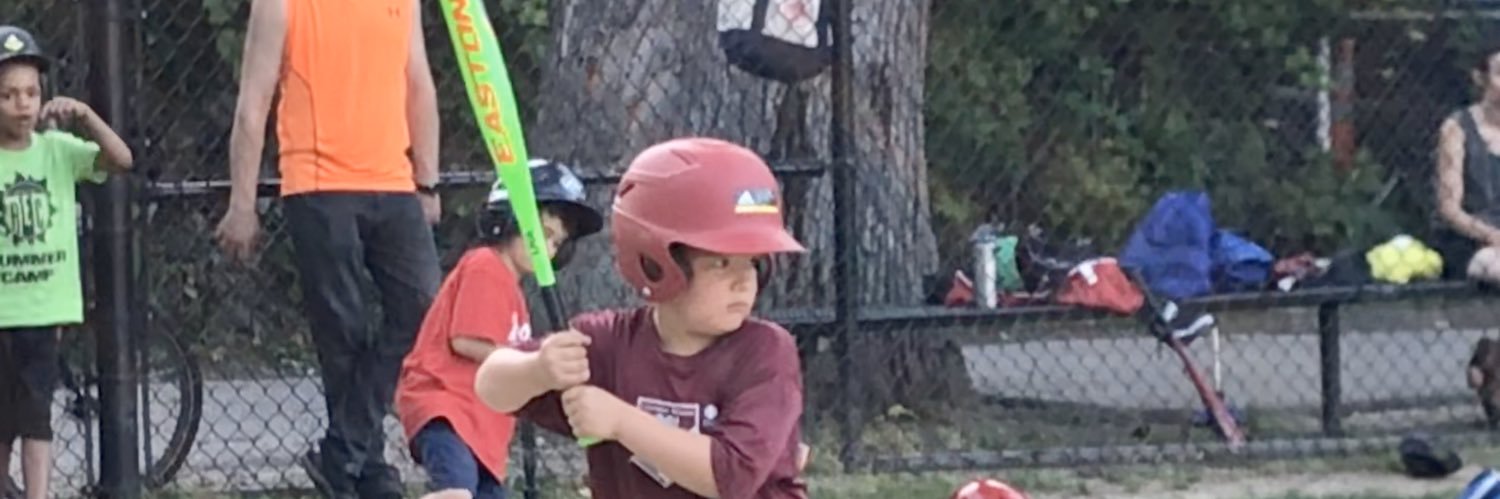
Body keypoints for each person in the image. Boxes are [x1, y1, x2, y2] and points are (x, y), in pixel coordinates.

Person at [474, 137, 810, 498]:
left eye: (753, 262)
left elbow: (728, 475)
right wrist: (538, 368)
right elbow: (490, 385)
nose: (744, 281)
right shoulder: (607, 343)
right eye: (721, 262)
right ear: (654, 261)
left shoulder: (765, 351)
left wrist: (620, 421)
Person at [212, 0, 442, 496]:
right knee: (343, 331)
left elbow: (418, 83)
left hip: (394, 180)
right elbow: (253, 103)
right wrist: (242, 203)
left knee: (425, 305)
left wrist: (427, 180)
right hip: (318, 185)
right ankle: (368, 470)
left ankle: (344, 450)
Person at [394, 160, 603, 499]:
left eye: (556, 242)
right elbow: (467, 341)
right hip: (449, 408)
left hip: (482, 426)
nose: (548, 249)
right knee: (456, 493)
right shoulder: (485, 266)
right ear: (509, 221)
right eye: (543, 233)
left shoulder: (512, 289)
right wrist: (537, 363)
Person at [0, 25, 133, 499]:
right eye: (8, 94)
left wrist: (84, 114)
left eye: (31, 92)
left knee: (37, 417)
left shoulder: (57, 151)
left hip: (41, 312)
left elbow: (121, 159)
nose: (22, 104)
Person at [1435, 39, 1500, 284]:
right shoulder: (1458, 128)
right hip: (1473, 241)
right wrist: (1492, 235)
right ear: (1480, 78)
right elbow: (1450, 208)